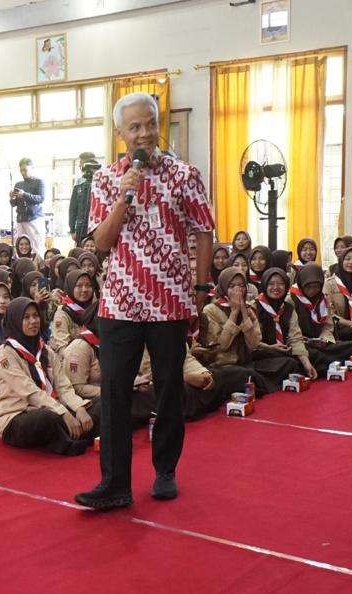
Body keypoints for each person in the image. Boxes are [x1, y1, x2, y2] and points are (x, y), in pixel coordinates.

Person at [76, 92, 215, 511]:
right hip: (119, 304)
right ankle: (115, 484)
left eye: (148, 124)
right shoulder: (104, 180)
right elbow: (101, 242)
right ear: (120, 134)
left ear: (159, 124)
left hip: (170, 301)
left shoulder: (184, 175)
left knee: (168, 389)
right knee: (115, 394)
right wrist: (123, 196)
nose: (143, 134)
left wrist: (201, 287)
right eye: (133, 127)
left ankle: (166, 471)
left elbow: (204, 231)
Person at [0, 298, 99, 455]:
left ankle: (71, 432)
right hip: (17, 415)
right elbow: (29, 392)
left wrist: (79, 407)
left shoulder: (46, 351)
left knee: (99, 405)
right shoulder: (5, 354)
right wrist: (62, 412)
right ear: (15, 321)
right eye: (26, 317)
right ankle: (69, 438)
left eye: (35, 316)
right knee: (46, 419)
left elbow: (64, 386)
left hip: (54, 406)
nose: (33, 321)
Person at [10, 157, 46, 257]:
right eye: (21, 170)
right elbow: (14, 204)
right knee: (20, 248)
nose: (23, 172)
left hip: (34, 219)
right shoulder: (18, 184)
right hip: (21, 219)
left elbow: (41, 198)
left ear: (32, 168)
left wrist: (24, 194)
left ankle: (39, 270)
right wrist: (12, 198)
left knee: (37, 247)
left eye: (25, 170)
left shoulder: (39, 182)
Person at [69, 159, 99, 245]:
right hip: (81, 227)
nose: (90, 173)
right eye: (88, 170)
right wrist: (72, 230)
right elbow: (72, 210)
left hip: (97, 227)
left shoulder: (103, 187)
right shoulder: (78, 188)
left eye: (94, 170)